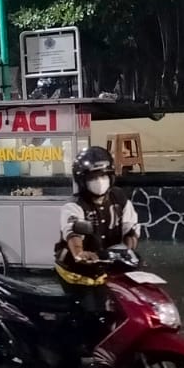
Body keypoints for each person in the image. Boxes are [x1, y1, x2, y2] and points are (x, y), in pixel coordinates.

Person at [55, 146, 140, 349]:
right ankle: (70, 353)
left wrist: (128, 250)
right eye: (94, 176)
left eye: (104, 175)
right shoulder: (74, 206)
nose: (99, 181)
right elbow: (73, 234)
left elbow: (131, 230)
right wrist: (81, 253)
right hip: (77, 272)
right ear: (83, 179)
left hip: (108, 268)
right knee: (86, 315)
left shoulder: (120, 199)